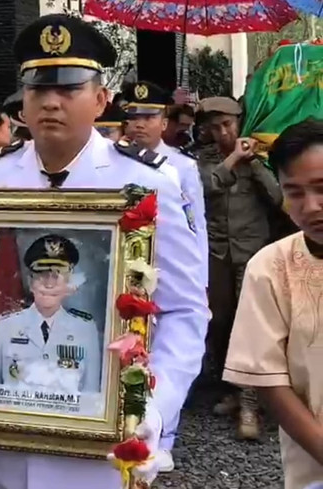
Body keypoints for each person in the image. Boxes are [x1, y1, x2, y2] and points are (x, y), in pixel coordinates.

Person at [0, 14, 210, 489]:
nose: (51, 102)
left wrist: (151, 411)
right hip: (0, 431)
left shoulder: (146, 185)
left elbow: (184, 310)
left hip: (97, 439)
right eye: (38, 89)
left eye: (69, 88)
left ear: (101, 99)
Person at [223, 119, 323, 489]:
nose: (311, 206)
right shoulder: (271, 267)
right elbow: (268, 380)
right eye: (294, 192)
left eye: (321, 188)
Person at [122, 81, 208, 471]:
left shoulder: (181, 167)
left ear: (164, 121)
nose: (139, 124)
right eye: (133, 116)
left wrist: (200, 277)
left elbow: (195, 228)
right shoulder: (119, 163)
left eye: (149, 116)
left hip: (168, 267)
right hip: (129, 269)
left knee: (165, 343)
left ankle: (165, 432)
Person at [198, 96, 283, 440]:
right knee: (219, 322)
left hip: (251, 253)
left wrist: (256, 165)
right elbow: (207, 187)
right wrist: (233, 159)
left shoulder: (259, 158)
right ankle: (232, 390)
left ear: (239, 123)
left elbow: (278, 199)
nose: (222, 132)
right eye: (215, 127)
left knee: (250, 325)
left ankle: (250, 405)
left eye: (228, 125)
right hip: (217, 253)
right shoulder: (204, 160)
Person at [0, 234, 101, 393]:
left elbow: (90, 394)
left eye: (56, 276)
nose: (49, 284)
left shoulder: (85, 329)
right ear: (30, 282)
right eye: (41, 275)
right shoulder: (6, 326)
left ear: (67, 283)